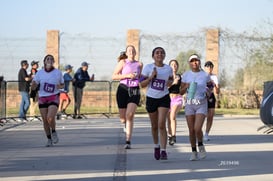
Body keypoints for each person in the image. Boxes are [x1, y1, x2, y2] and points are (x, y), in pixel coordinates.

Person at [140, 47, 173, 160]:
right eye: (157, 53)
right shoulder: (148, 67)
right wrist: (151, 77)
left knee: (161, 124)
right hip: (151, 98)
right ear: (153, 55)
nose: (160, 54)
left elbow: (170, 81)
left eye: (162, 53)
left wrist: (170, 82)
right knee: (154, 126)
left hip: (164, 97)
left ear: (164, 55)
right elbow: (142, 84)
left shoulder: (168, 68)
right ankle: (156, 146)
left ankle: (164, 150)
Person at [180, 54, 211, 161]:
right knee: (191, 130)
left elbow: (210, 86)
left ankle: (201, 145)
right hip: (189, 103)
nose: (194, 63)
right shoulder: (186, 75)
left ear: (199, 62)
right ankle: (194, 151)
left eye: (196, 60)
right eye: (192, 61)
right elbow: (180, 91)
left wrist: (209, 92)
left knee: (197, 128)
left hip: (201, 103)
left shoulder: (205, 75)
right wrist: (186, 86)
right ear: (189, 63)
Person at [112, 45, 142, 149]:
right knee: (123, 119)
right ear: (126, 52)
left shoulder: (139, 64)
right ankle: (125, 124)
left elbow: (140, 77)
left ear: (135, 52)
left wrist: (147, 77)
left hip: (134, 90)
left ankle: (128, 141)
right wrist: (127, 76)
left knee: (130, 115)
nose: (131, 52)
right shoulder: (123, 62)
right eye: (129, 50)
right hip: (123, 89)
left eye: (133, 50)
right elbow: (114, 76)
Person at [31, 54, 64, 147]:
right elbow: (34, 83)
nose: (49, 60)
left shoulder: (58, 72)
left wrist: (59, 86)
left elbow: (62, 84)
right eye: (47, 59)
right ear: (44, 61)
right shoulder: (40, 73)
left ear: (53, 62)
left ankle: (53, 131)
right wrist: (33, 86)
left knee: (50, 117)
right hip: (42, 97)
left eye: (51, 59)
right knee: (45, 120)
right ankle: (49, 139)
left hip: (54, 96)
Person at [167, 59, 183, 146]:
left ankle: (174, 136)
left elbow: (184, 87)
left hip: (177, 99)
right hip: (168, 100)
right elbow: (165, 87)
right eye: (172, 64)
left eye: (175, 64)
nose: (174, 66)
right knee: (169, 119)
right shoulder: (167, 77)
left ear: (177, 67)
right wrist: (173, 82)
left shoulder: (179, 76)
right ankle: (170, 136)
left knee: (172, 115)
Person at [203, 61, 220, 141]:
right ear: (204, 68)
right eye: (207, 67)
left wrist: (216, 87)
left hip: (210, 96)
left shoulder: (214, 77)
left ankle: (206, 134)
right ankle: (198, 131)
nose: (209, 69)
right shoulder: (201, 75)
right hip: (202, 96)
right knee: (201, 116)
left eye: (210, 67)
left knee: (210, 116)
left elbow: (217, 91)